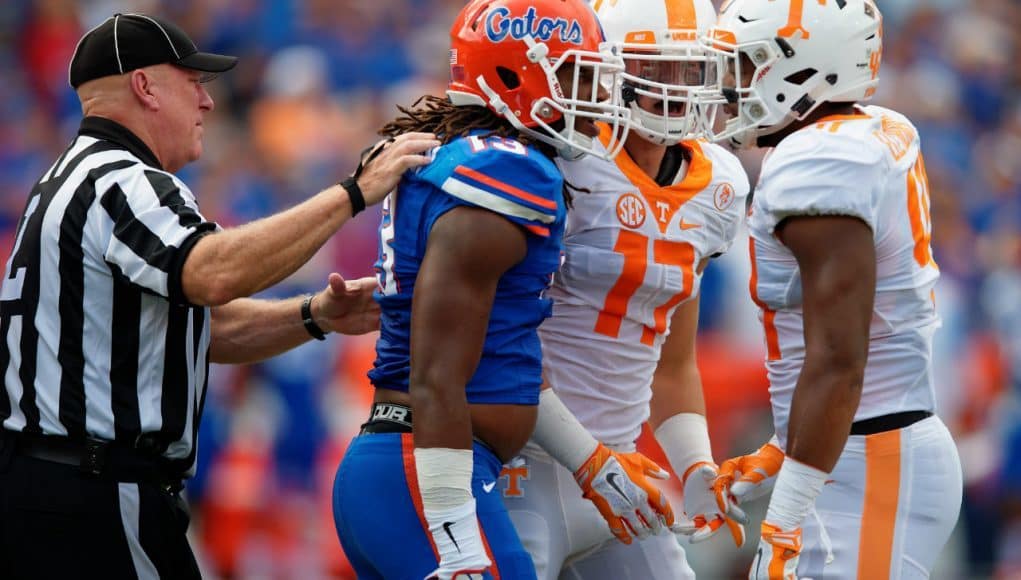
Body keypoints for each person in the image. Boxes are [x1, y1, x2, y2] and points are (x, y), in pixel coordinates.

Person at [0, 12, 437, 579]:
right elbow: (211, 274)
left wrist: (314, 313)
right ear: (144, 86)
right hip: (95, 488)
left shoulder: (73, 177)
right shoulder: (122, 178)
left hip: (63, 485)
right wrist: (355, 193)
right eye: (194, 82)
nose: (208, 102)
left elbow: (198, 326)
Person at [328, 0, 643, 577]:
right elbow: (437, 373)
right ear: (512, 72)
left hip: (407, 470)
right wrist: (455, 535)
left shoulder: (470, 159)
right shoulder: (505, 173)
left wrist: (589, 461)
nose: (594, 96)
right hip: (420, 476)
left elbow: (495, 354)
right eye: (576, 73)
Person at [701, 1, 963, 578]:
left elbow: (842, 358)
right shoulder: (866, 130)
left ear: (802, 69)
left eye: (747, 66)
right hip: (858, 450)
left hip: (871, 462)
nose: (730, 86)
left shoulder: (820, 158)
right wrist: (780, 447)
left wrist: (785, 516)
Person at [499, 0, 750, 577]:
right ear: (604, 67)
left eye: (689, 68)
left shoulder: (720, 188)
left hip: (625, 469)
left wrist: (696, 468)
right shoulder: (561, 161)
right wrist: (588, 461)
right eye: (652, 65)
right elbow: (497, 342)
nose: (673, 86)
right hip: (525, 459)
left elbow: (672, 363)